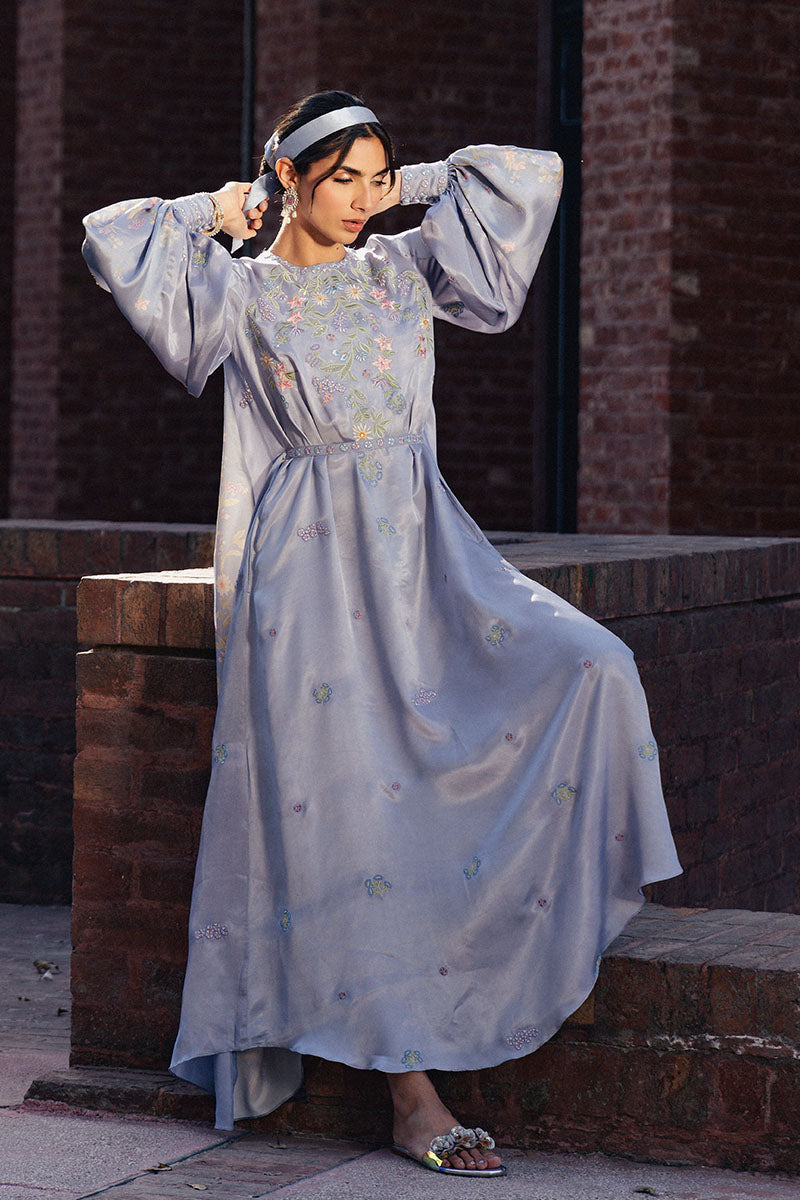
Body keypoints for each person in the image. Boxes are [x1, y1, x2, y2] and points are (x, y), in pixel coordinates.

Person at [82, 90, 681, 1178]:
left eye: (376, 177)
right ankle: (411, 1096)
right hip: (304, 579)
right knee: (351, 823)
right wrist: (220, 208)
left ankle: (507, 959)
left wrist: (421, 184)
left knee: (594, 664)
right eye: (341, 179)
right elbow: (112, 238)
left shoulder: (400, 270)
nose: (362, 200)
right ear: (290, 179)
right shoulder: (242, 291)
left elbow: (531, 176)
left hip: (424, 554)